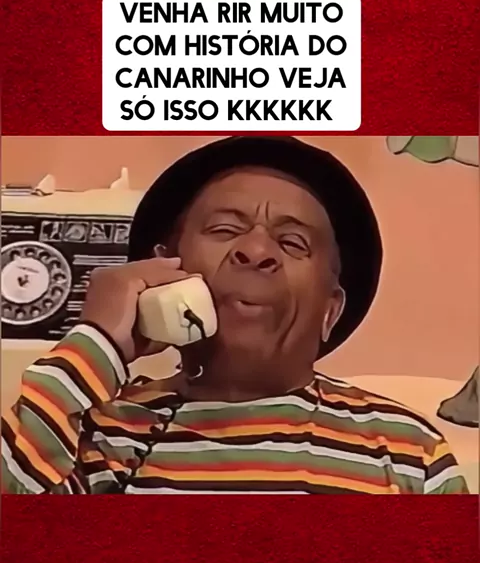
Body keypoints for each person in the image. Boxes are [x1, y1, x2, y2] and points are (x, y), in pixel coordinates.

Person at [1, 136, 469, 494]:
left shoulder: (409, 452)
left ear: (331, 309)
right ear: (162, 273)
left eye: (292, 243)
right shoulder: (96, 433)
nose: (256, 251)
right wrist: (96, 341)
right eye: (225, 229)